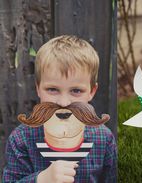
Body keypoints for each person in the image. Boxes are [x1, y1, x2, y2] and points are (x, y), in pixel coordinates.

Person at [2, 35, 117, 183]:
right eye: (52, 89)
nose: (63, 103)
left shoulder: (104, 139)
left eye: (76, 91)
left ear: (91, 92)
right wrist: (41, 179)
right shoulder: (21, 139)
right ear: (38, 88)